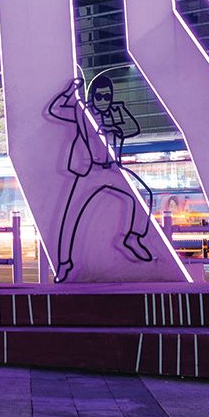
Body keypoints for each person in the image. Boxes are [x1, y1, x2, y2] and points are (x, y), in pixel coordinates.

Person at [47, 74, 153, 283]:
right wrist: (71, 91)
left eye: (107, 96)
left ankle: (132, 238)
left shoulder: (115, 113)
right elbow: (55, 109)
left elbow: (133, 129)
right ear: (92, 96)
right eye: (99, 96)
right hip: (88, 171)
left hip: (112, 171)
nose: (103, 101)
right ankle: (64, 265)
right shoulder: (83, 113)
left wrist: (118, 111)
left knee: (143, 196)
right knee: (70, 219)